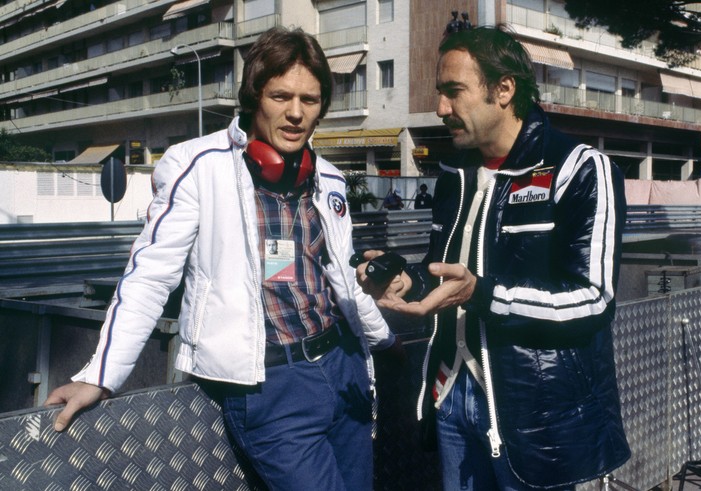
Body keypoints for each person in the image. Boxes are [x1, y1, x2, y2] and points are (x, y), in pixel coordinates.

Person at [45, 26, 399, 491]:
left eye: (309, 101)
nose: (296, 113)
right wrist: (102, 375)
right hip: (271, 385)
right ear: (254, 97)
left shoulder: (328, 179)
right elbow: (150, 277)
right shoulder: (196, 166)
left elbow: (339, 278)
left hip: (343, 365)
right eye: (281, 96)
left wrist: (384, 338)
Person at [358, 25, 631, 490]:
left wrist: (484, 294)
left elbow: (594, 299)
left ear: (503, 90)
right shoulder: (455, 176)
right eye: (439, 93)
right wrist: (409, 283)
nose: (441, 108)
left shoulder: (580, 168)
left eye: (454, 92)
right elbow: (443, 270)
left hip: (535, 411)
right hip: (450, 393)